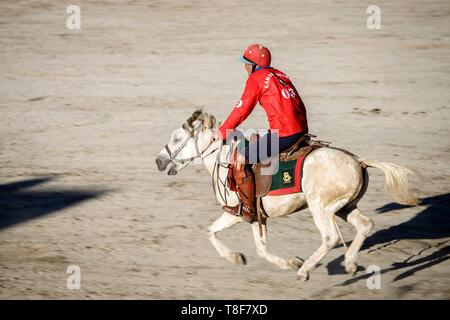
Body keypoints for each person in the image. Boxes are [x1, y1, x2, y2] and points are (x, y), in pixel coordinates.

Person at [216, 44, 308, 222]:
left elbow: (242, 109)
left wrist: (222, 132)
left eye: (246, 63)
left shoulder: (256, 78)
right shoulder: (280, 74)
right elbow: (299, 103)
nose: (245, 67)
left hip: (284, 134)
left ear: (254, 65)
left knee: (240, 159)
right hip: (300, 130)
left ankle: (248, 209)